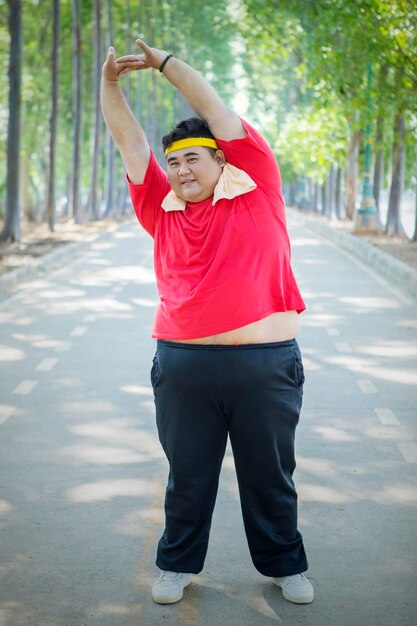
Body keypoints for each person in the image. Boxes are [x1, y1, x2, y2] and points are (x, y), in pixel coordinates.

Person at [101, 38, 314, 607]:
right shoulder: (159, 209)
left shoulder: (257, 188)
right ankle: (177, 565)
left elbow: (216, 108)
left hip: (265, 365)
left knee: (270, 475)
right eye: (173, 162)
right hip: (184, 365)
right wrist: (111, 85)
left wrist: (165, 65)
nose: (179, 168)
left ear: (224, 159)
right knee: (187, 477)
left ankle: (285, 564)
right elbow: (130, 140)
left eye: (192, 156)